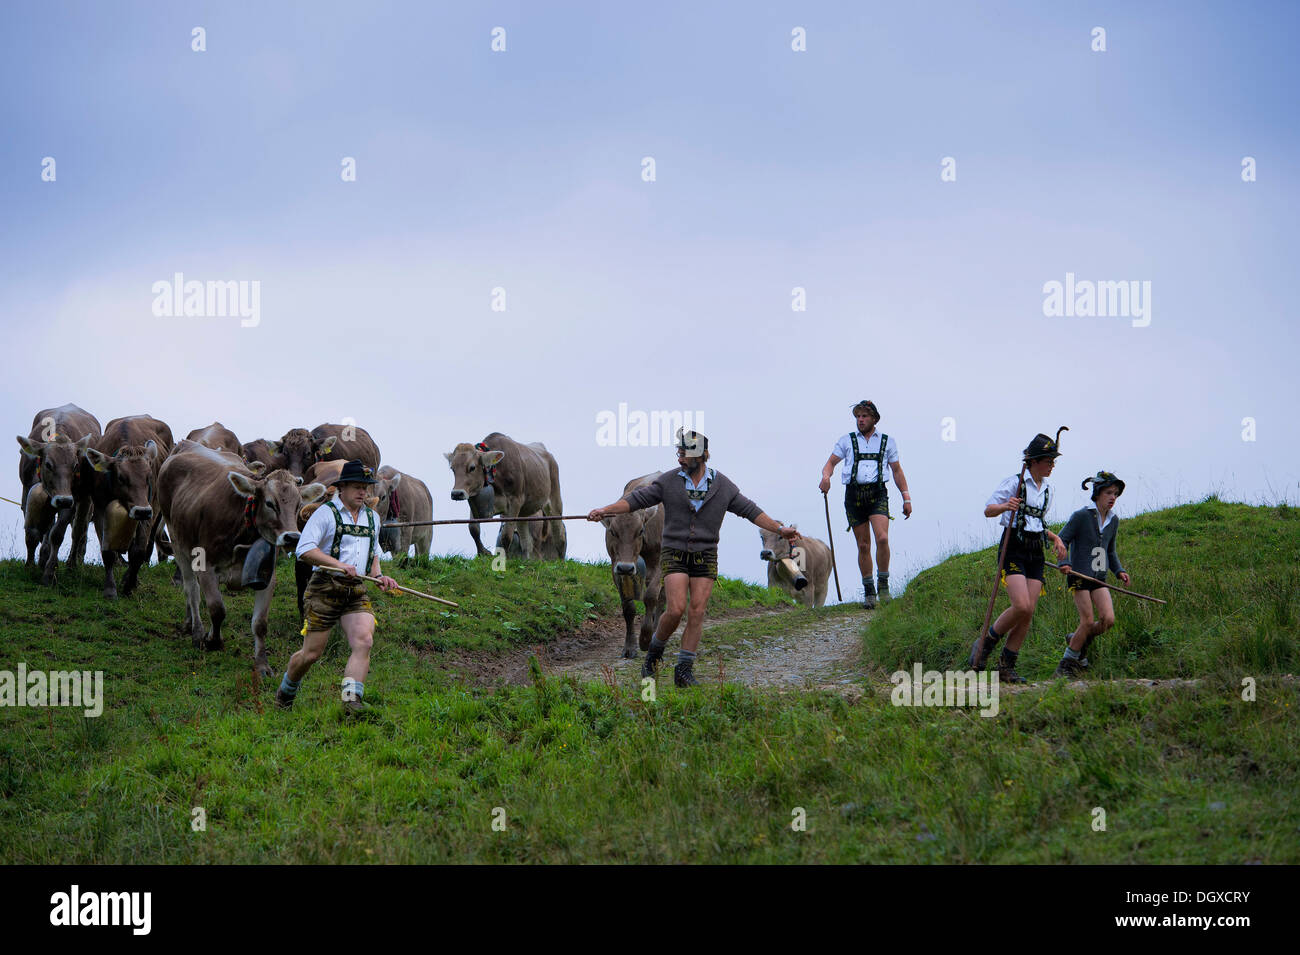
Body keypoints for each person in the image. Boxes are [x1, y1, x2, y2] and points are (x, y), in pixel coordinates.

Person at [587, 429, 799, 687]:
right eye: (679, 453)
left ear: (703, 455)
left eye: (685, 454)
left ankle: (684, 670)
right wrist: (604, 510)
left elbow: (750, 510)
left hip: (706, 554)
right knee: (675, 609)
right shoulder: (668, 482)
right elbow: (635, 500)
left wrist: (779, 529)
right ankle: (652, 657)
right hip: (675, 551)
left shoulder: (722, 486)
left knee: (697, 611)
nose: (680, 459)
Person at [276, 460, 397, 713]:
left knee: (364, 640)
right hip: (324, 588)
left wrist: (380, 575)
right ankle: (286, 692)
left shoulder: (372, 518)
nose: (363, 492)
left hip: (356, 590)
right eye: (357, 487)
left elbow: (373, 553)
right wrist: (339, 564)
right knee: (311, 654)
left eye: (366, 487)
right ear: (342, 488)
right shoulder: (325, 513)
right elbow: (304, 550)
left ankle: (351, 702)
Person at [968, 433, 1068, 683]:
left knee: (1028, 611)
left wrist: (1054, 537)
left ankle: (1006, 667)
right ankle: (985, 643)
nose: (1052, 465)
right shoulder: (1014, 483)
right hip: (1013, 547)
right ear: (1033, 461)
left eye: (1054, 461)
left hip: (1036, 550)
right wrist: (1005, 506)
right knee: (1021, 605)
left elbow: (1035, 522)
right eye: (1048, 460)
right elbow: (988, 510)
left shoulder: (1048, 490)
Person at [818, 399, 912, 607]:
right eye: (858, 416)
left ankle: (884, 587)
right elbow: (831, 463)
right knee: (863, 545)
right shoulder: (846, 441)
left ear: (874, 419)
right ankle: (869, 592)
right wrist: (826, 477)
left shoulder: (887, 441)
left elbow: (896, 470)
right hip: (854, 496)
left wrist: (906, 497)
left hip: (878, 494)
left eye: (864, 416)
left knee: (883, 538)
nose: (860, 420)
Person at [1053, 471, 1130, 678]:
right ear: (1097, 494)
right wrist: (1064, 562)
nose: (1112, 497)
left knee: (1108, 620)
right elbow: (1062, 540)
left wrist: (1119, 570)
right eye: (1108, 493)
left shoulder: (1113, 521)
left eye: (1115, 493)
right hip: (1078, 575)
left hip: (1099, 578)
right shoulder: (1081, 516)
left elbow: (1110, 551)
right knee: (1087, 621)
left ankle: (1077, 638)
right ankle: (1066, 665)